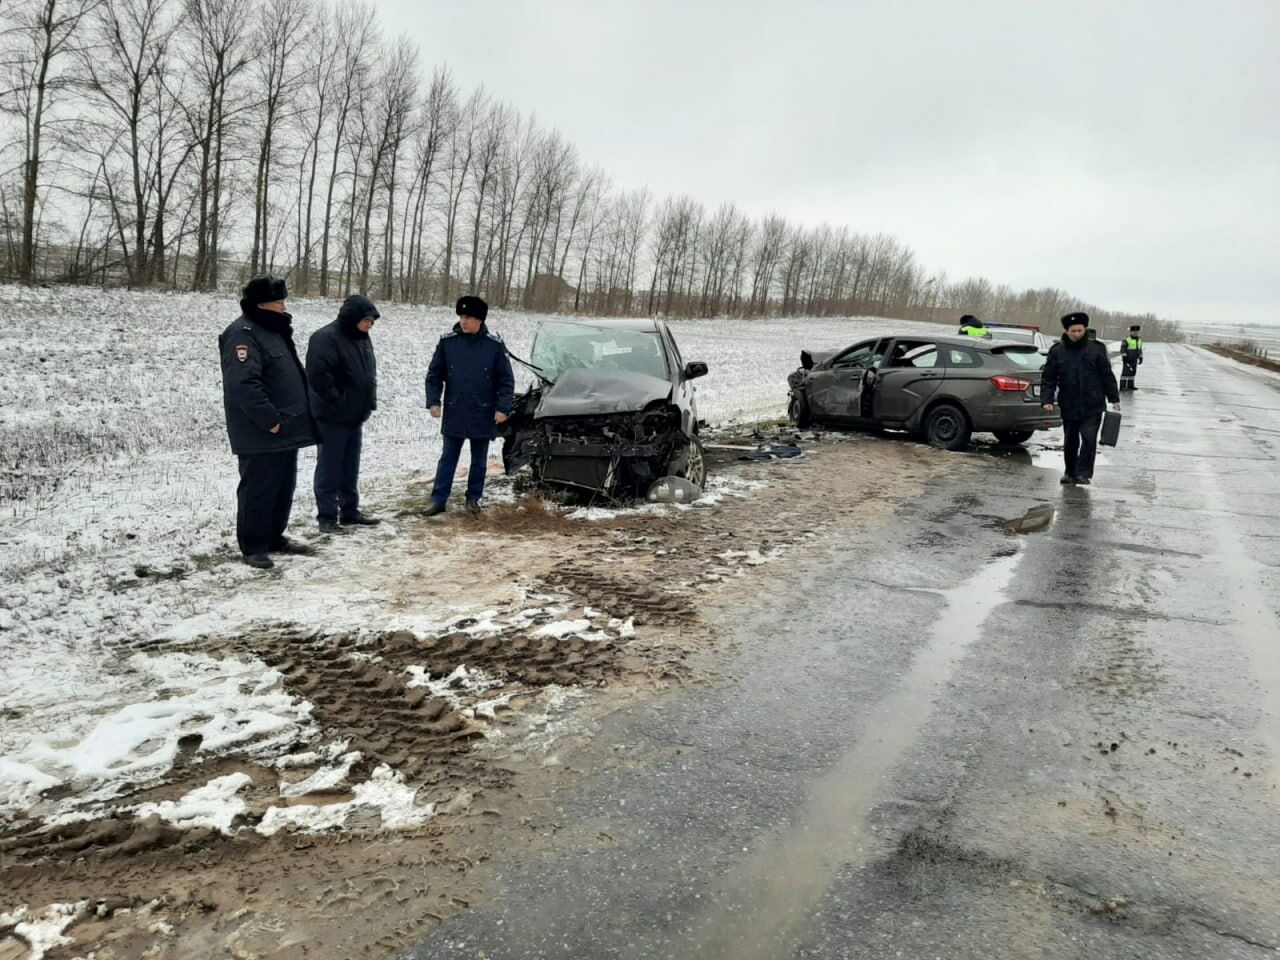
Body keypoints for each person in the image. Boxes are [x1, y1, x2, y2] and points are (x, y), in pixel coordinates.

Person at [219, 275, 318, 569]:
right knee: (259, 488)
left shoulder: (272, 330)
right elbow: (244, 386)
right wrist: (270, 421)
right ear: (262, 304)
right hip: (262, 430)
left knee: (282, 485)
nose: (284, 307)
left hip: (286, 428)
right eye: (279, 302)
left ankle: (275, 536)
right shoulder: (243, 334)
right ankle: (254, 546)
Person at [423, 295, 515, 516]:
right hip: (455, 409)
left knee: (479, 461)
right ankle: (439, 500)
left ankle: (473, 499)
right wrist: (433, 401)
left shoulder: (494, 346)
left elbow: (506, 380)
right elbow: (434, 375)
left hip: (482, 411)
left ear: (480, 320)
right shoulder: (448, 343)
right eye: (462, 316)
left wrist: (503, 408)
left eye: (469, 317)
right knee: (448, 458)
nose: (464, 321)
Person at [306, 294, 381, 533]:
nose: (370, 325)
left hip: (355, 416)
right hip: (331, 417)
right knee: (329, 469)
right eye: (367, 320)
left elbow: (368, 374)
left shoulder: (362, 338)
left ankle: (350, 512)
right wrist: (338, 403)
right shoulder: (325, 338)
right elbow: (318, 376)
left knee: (350, 467)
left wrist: (369, 402)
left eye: (372, 321)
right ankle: (327, 518)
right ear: (353, 318)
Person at [1041, 311, 1120, 486]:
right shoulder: (1057, 351)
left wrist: (1114, 399)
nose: (1077, 334)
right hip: (1069, 403)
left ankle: (1083, 473)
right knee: (1070, 440)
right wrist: (1047, 400)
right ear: (1067, 331)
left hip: (1093, 403)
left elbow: (1107, 375)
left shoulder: (1097, 349)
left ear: (1085, 329)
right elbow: (1049, 378)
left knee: (1089, 437)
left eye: (1080, 330)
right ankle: (1070, 472)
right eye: (1073, 331)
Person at [1120, 324, 1144, 391]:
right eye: (1134, 331)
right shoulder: (1127, 340)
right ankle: (1122, 386)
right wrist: (1124, 358)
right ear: (1131, 332)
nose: (1136, 333)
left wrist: (1141, 357)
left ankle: (1131, 385)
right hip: (1127, 359)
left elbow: (1140, 349)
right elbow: (1122, 349)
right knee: (1125, 373)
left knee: (1132, 373)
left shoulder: (1139, 340)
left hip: (1134, 360)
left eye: (1137, 331)